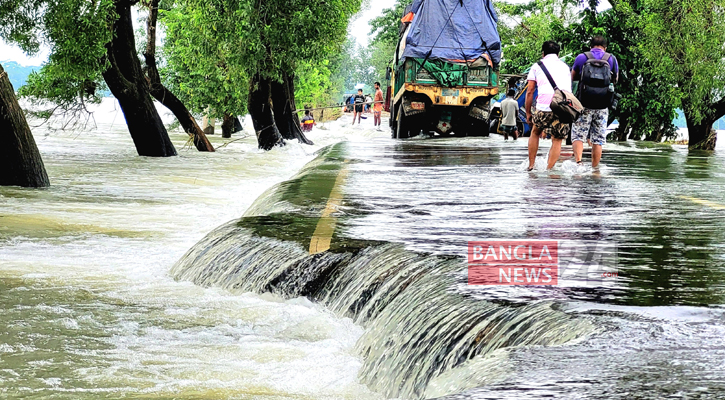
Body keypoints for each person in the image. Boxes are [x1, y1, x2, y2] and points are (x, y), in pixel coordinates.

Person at [571, 35, 619, 168]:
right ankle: (595, 168)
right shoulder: (611, 59)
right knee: (598, 138)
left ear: (590, 46)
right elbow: (615, 80)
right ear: (605, 47)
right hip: (603, 104)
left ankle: (579, 163)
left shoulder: (582, 57)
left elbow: (573, 77)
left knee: (578, 134)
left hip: (583, 103)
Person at [525, 41, 573, 171]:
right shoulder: (565, 67)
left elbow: (529, 91)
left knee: (535, 132)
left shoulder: (536, 66)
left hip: (543, 106)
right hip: (562, 107)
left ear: (543, 53)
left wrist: (528, 113)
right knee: (557, 139)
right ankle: (549, 169)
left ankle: (531, 166)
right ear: (558, 54)